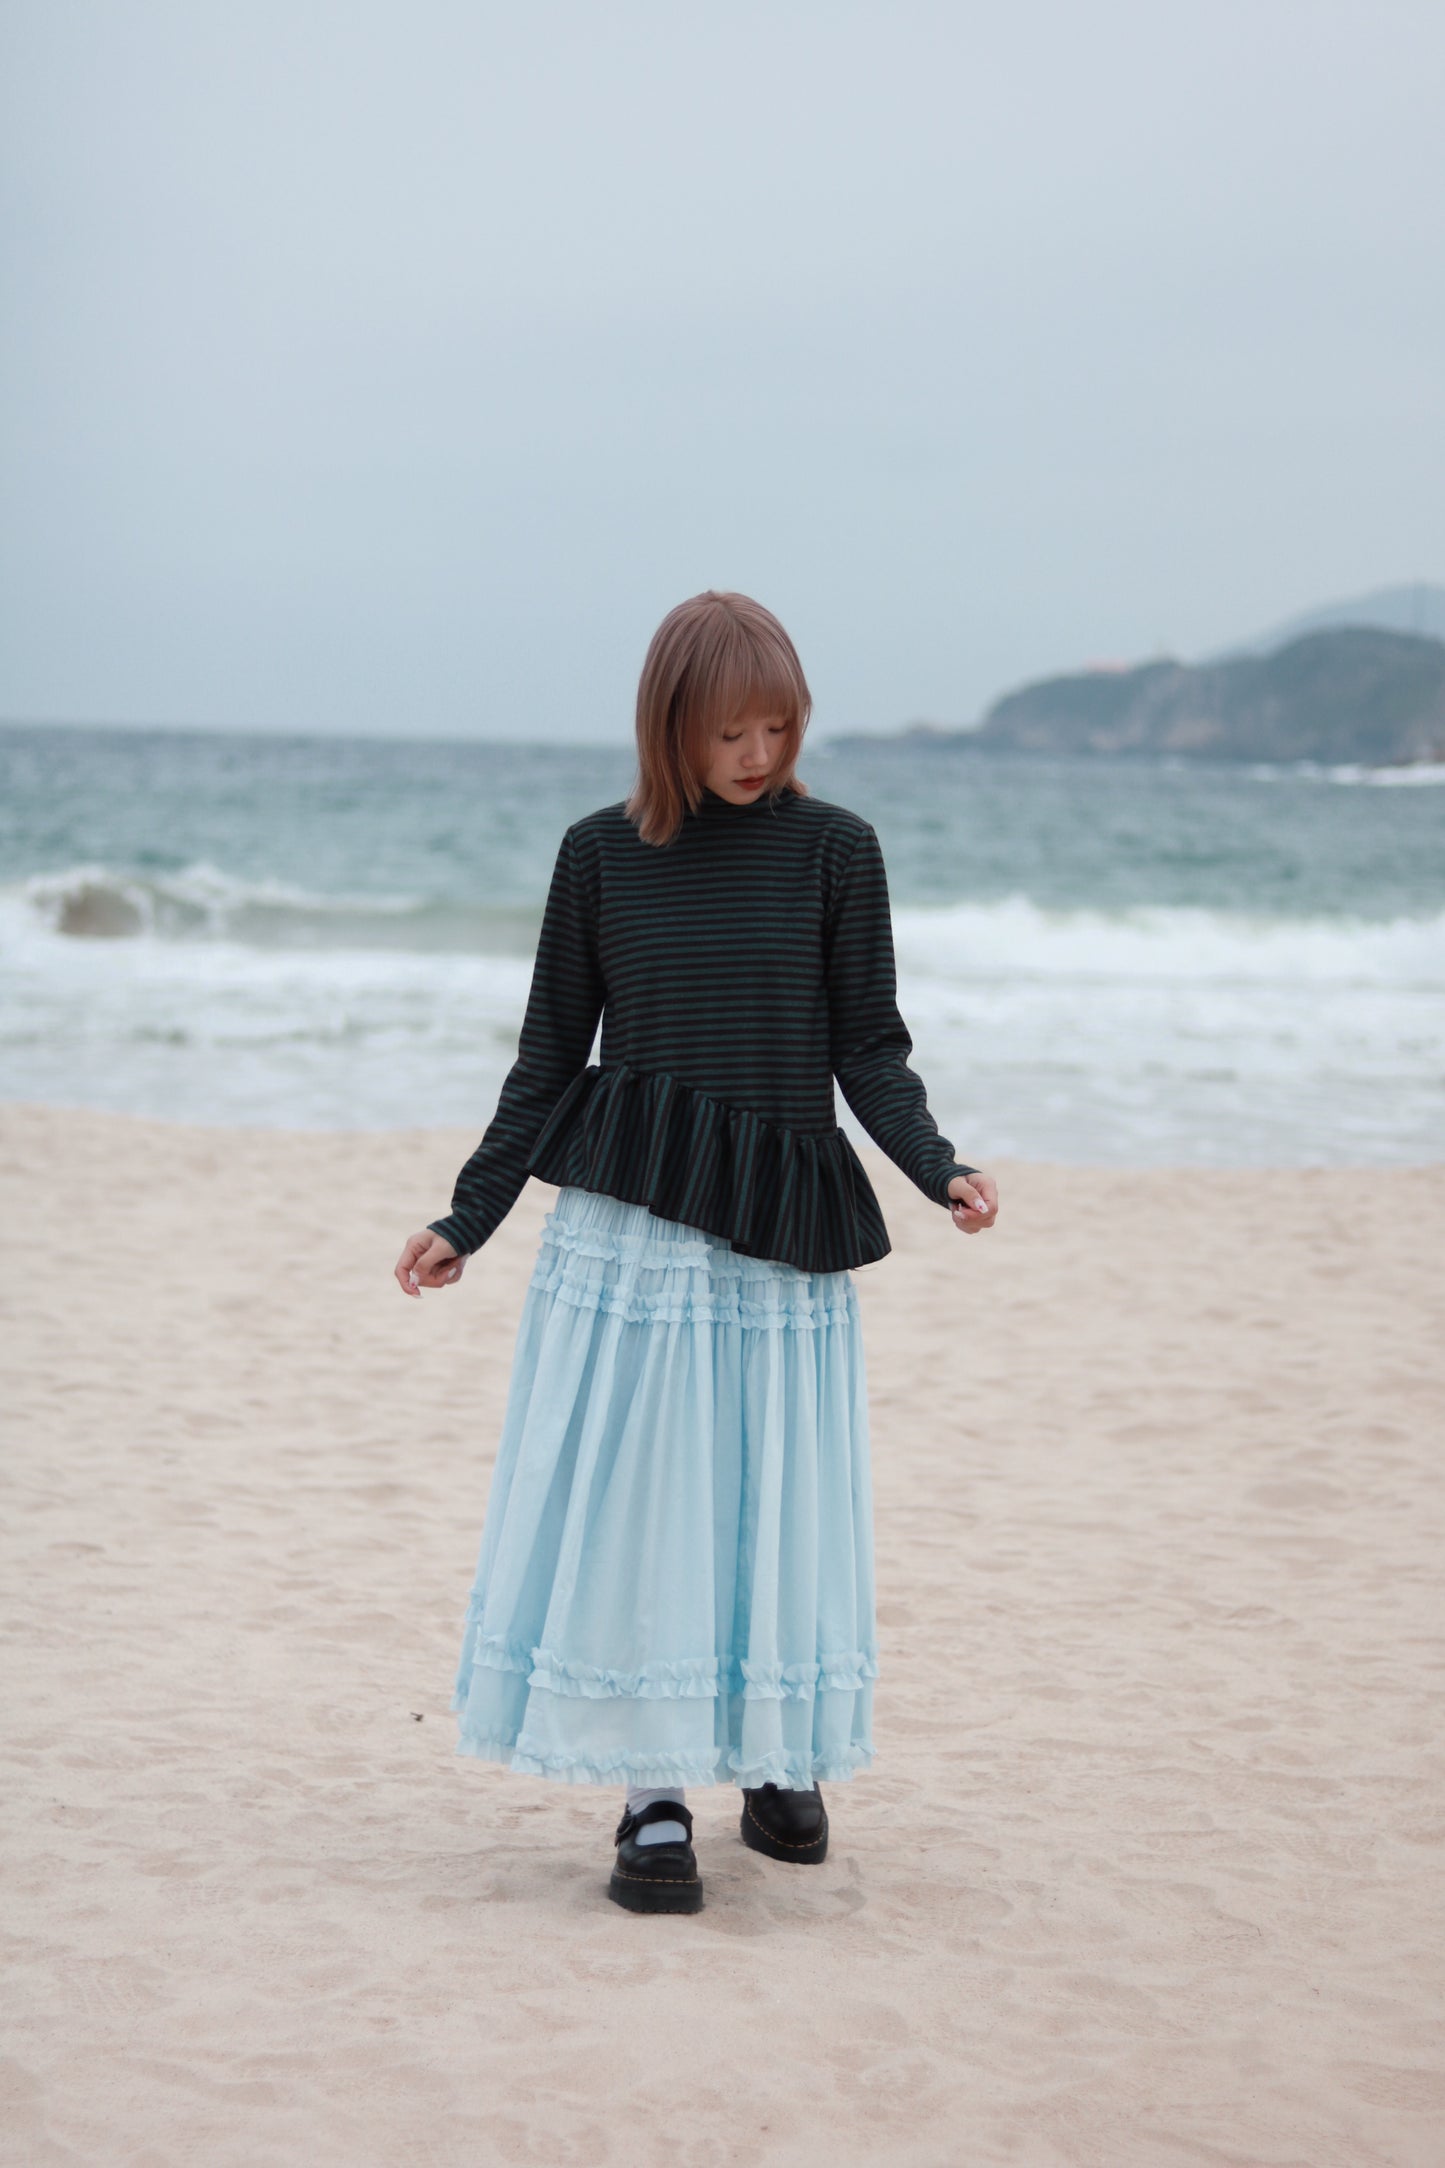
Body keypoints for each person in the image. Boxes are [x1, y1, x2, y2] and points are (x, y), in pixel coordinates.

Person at [394, 591, 998, 1914]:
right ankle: (651, 1791)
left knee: (772, 1491)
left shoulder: (836, 852)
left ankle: (778, 1762)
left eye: (779, 727)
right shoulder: (597, 857)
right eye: (731, 730)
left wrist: (933, 1162)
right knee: (645, 1501)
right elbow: (550, 1056)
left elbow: (867, 1048)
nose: (758, 754)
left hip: (779, 1223)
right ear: (672, 726)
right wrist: (466, 1217)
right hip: (631, 1229)